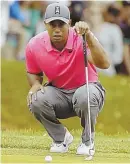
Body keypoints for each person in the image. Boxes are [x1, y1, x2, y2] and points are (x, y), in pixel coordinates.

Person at [25, 3, 110, 155]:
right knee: (36, 99)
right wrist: (36, 83)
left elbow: (104, 64)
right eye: (52, 24)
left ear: (69, 24)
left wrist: (89, 36)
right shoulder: (34, 45)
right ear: (45, 24)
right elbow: (33, 72)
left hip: (87, 91)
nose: (57, 29)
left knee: (85, 95)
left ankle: (87, 142)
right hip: (59, 95)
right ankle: (61, 138)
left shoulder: (82, 38)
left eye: (61, 24)